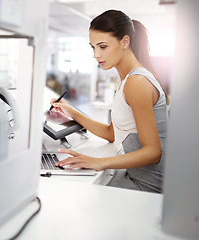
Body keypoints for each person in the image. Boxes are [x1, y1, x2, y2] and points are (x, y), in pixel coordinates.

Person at [51, 9, 168, 193]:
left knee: (71, 192)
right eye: (93, 47)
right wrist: (72, 112)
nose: (96, 55)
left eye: (102, 47)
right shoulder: (126, 81)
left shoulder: (136, 83)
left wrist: (98, 162)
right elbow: (112, 133)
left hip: (145, 185)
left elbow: (153, 152)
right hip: (134, 176)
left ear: (125, 42)